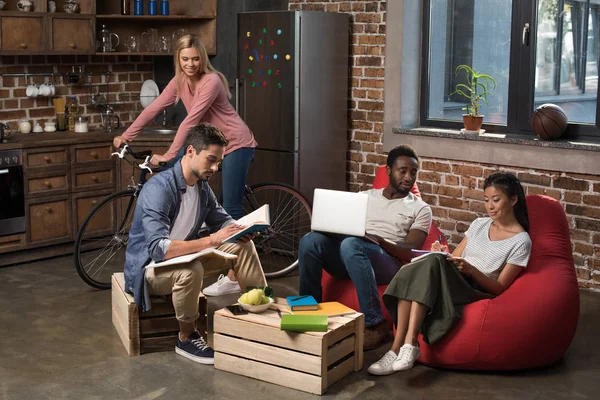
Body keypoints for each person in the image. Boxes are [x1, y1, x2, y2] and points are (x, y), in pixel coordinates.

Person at [114, 34, 257, 296]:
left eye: (195, 59)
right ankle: (180, 244)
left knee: (230, 205)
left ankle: (235, 276)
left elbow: (190, 122)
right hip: (207, 144)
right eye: (185, 59)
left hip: (235, 143)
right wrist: (127, 135)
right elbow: (154, 108)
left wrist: (169, 154)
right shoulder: (179, 81)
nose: (191, 64)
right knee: (183, 179)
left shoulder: (211, 81)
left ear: (202, 58)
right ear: (178, 60)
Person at [123, 123, 267, 365]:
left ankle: (262, 307)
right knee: (191, 270)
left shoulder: (201, 187)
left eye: (218, 162)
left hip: (184, 256)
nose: (215, 168)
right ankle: (186, 336)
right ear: (190, 152)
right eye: (210, 159)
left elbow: (221, 220)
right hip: (150, 269)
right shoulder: (159, 189)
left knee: (242, 246)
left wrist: (242, 230)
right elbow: (159, 249)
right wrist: (211, 240)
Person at [368, 172, 532, 376]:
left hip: (475, 288)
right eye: (486, 200)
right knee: (421, 265)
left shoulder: (521, 241)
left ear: (513, 199)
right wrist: (443, 254)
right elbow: (454, 257)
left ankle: (409, 344)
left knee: (426, 265)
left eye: (496, 200)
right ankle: (396, 350)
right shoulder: (479, 224)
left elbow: (499, 287)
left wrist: (470, 269)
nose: (490, 206)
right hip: (455, 277)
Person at [298, 145, 433, 351]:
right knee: (311, 240)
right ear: (388, 170)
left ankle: (375, 322)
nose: (408, 177)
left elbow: (411, 251)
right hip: (351, 254)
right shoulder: (364, 197)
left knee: (352, 244)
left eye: (413, 172)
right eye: (402, 171)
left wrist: (379, 240)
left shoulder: (420, 208)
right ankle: (308, 311)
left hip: (388, 262)